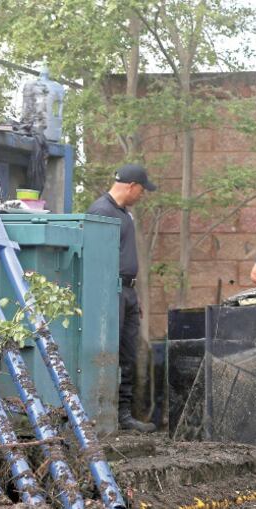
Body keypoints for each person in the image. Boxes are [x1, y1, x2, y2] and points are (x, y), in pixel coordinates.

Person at [87, 164, 157, 433]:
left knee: (127, 353)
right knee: (109, 352)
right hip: (110, 291)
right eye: (142, 189)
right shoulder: (101, 212)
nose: (142, 195)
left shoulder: (124, 214)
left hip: (127, 292)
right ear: (131, 186)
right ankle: (103, 414)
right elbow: (97, 260)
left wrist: (133, 294)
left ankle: (123, 415)